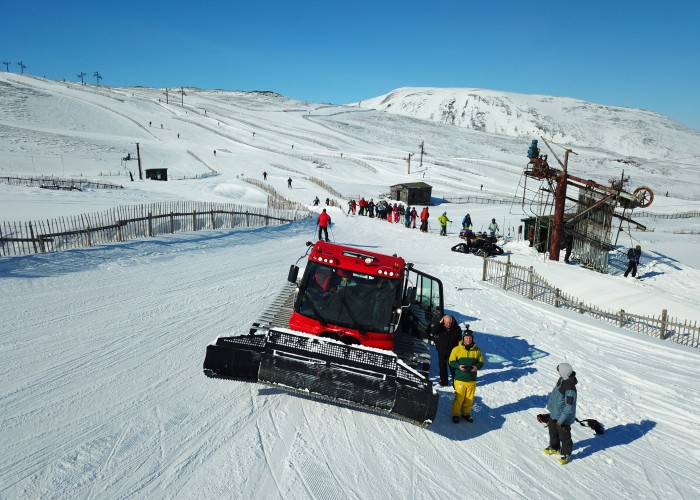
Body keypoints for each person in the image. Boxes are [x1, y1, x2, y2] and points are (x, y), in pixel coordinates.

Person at [544, 363, 578, 464]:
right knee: (553, 432)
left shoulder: (570, 388)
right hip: (555, 414)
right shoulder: (562, 380)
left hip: (563, 418)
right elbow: (555, 395)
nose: (558, 372)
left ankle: (566, 454)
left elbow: (569, 407)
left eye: (559, 370)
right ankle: (554, 447)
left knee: (564, 436)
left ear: (563, 372)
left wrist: (561, 420)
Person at [448, 328, 484, 423]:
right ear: (463, 338)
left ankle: (466, 414)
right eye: (466, 338)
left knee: (469, 399)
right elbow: (451, 361)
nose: (468, 340)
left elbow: (481, 362)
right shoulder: (456, 349)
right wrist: (458, 366)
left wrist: (477, 367)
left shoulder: (477, 350)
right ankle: (455, 414)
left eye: (470, 338)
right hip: (460, 379)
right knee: (459, 398)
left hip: (471, 379)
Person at [430, 314, 462, 387]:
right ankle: (444, 382)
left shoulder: (457, 329)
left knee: (453, 368)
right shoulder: (440, 327)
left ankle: (456, 383)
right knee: (442, 367)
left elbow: (460, 341)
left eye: (450, 322)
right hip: (441, 351)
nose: (448, 324)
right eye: (446, 322)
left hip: (452, 352)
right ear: (443, 322)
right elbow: (432, 331)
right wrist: (439, 323)